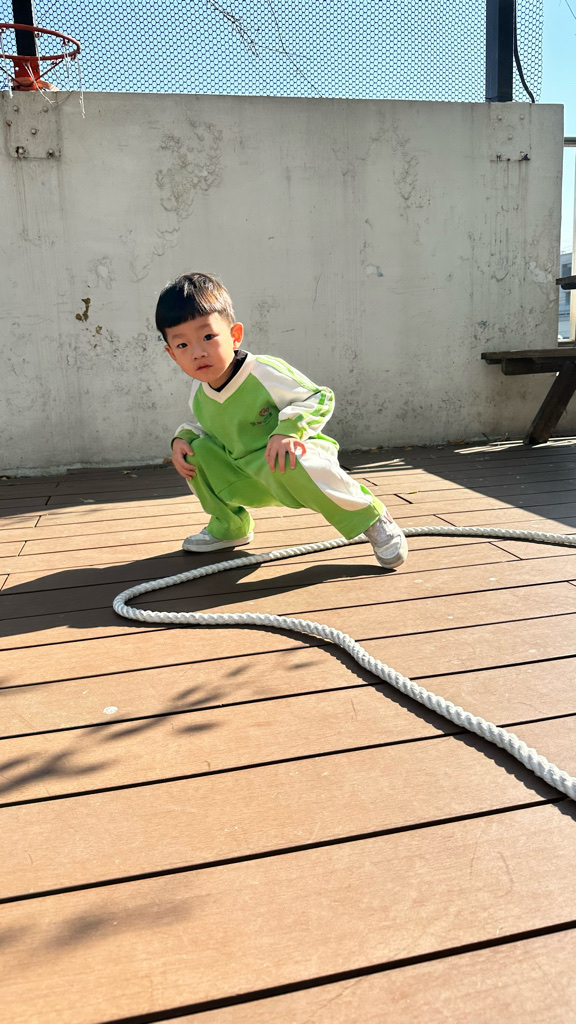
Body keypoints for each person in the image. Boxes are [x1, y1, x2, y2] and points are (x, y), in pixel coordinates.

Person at [156, 272, 408, 569]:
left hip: (290, 464)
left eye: (208, 337)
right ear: (172, 355)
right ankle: (230, 525)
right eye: (183, 346)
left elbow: (319, 397)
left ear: (235, 335)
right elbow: (210, 428)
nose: (198, 352)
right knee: (192, 453)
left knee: (296, 456)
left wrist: (288, 430)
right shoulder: (199, 391)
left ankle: (372, 516)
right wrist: (182, 438)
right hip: (246, 472)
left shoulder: (263, 372)